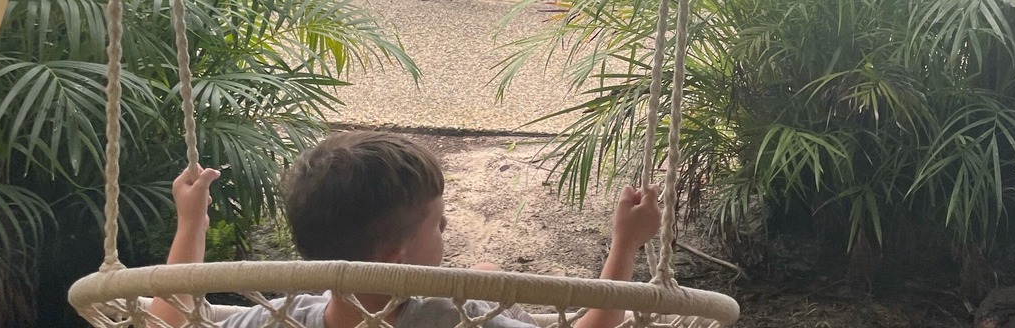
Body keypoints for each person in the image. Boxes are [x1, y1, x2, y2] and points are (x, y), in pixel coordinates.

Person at [150, 130, 662, 328]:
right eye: (438, 224)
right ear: (396, 255)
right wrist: (625, 244)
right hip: (472, 306)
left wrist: (192, 223)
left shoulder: (287, 317)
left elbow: (169, 317)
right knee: (485, 275)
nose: (446, 228)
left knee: (482, 273)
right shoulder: (454, 316)